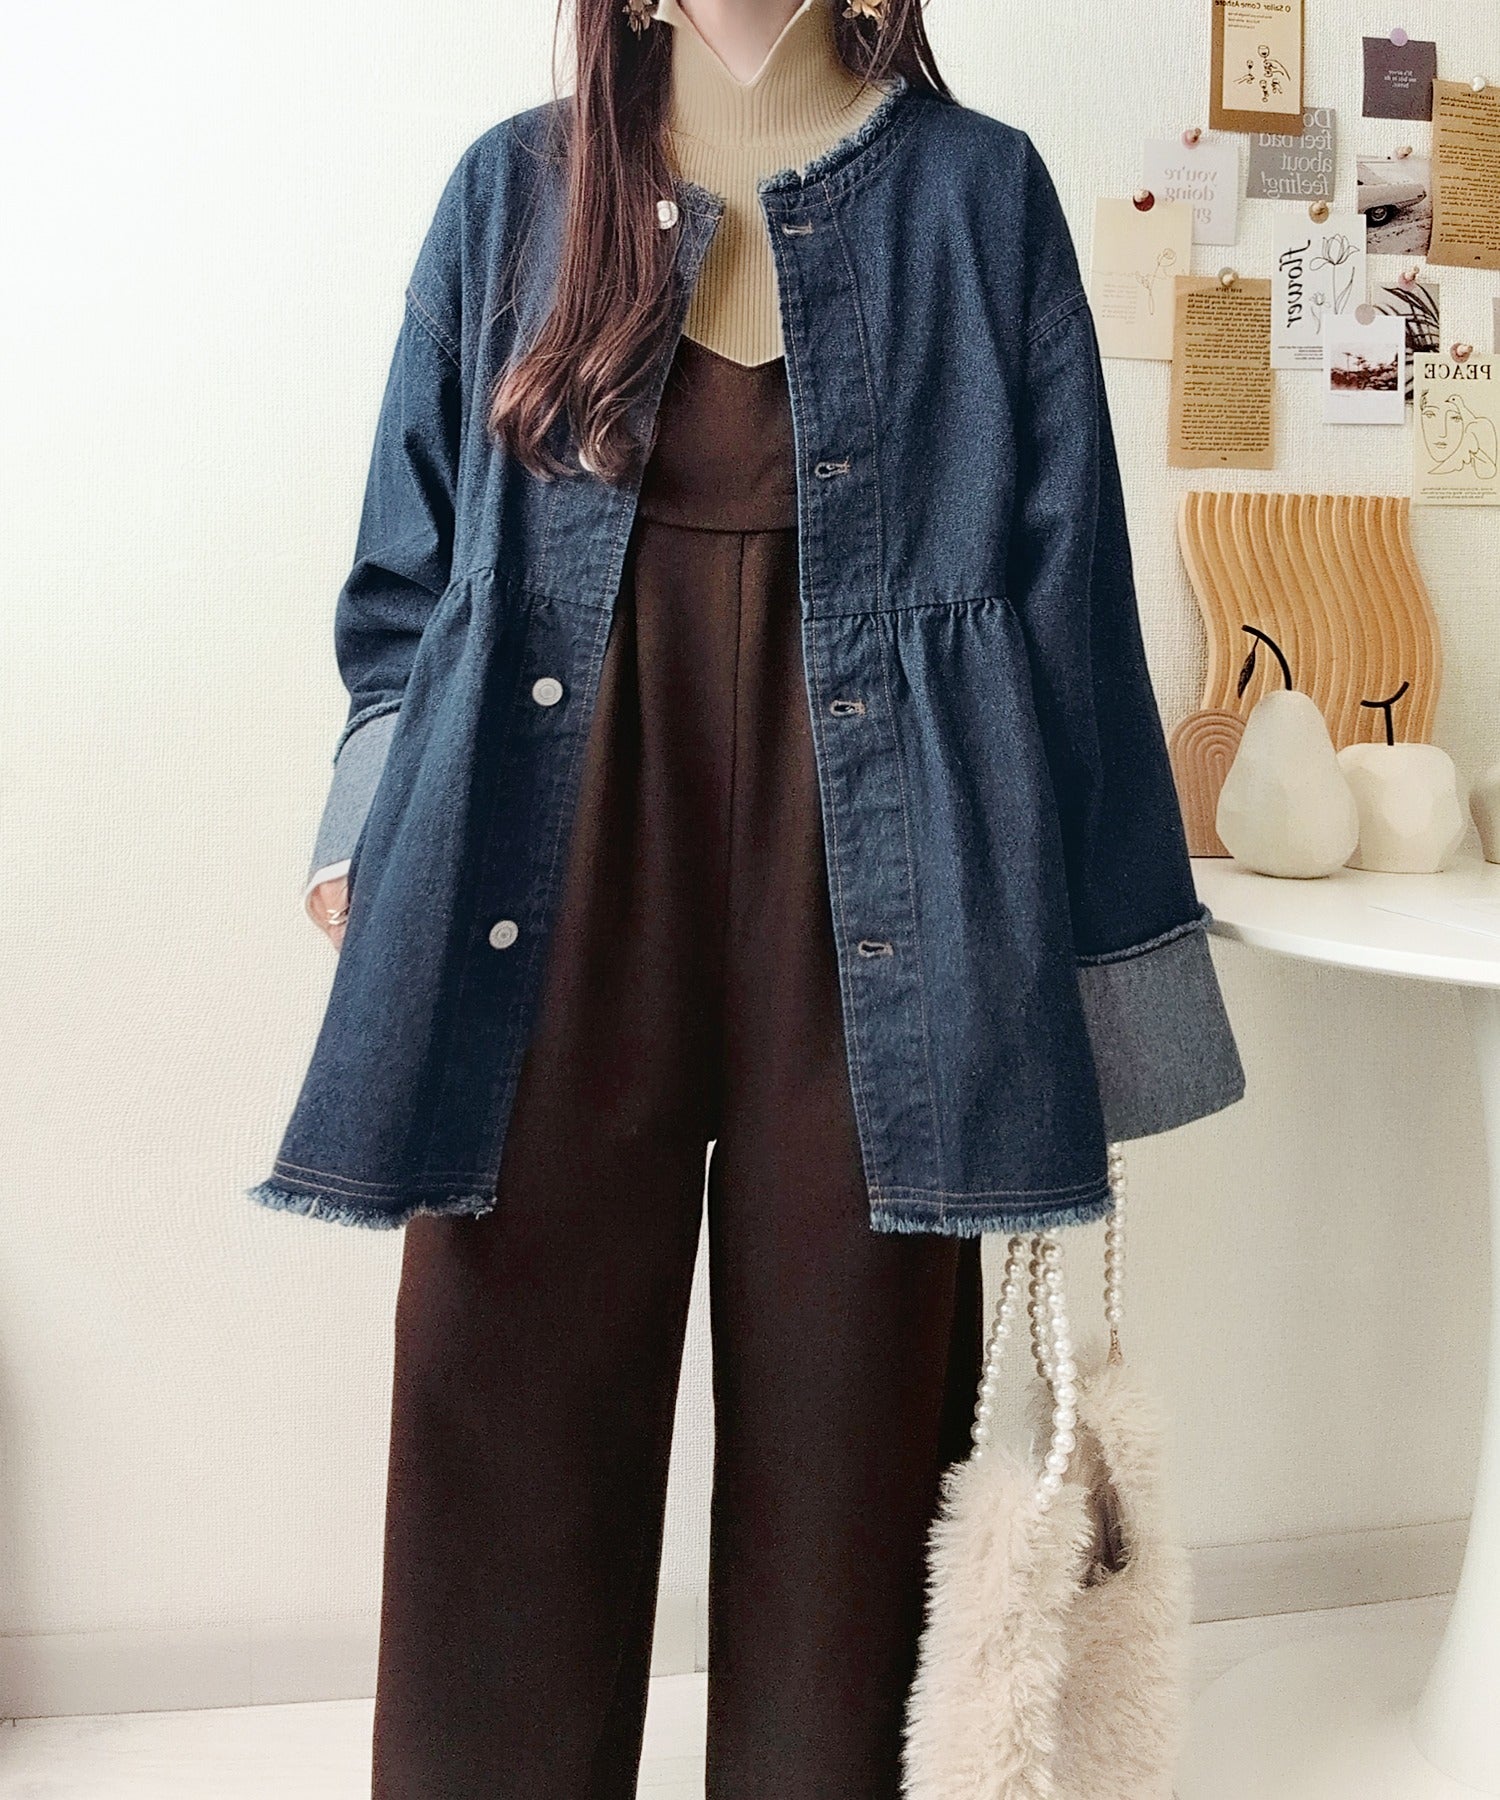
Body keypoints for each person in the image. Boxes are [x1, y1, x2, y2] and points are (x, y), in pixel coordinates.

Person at [249, 1, 1246, 1792]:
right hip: (552, 866)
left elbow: (1075, 606)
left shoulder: (981, 195)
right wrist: (363, 832)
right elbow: (408, 570)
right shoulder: (513, 192)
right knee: (508, 1386)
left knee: (856, 1426)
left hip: (889, 891)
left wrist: (1099, 987)